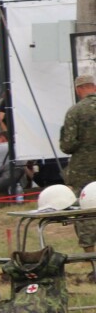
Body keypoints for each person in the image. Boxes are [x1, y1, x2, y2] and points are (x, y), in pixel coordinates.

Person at [60, 74, 96, 253]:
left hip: (84, 170)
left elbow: (68, 145)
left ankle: (90, 254)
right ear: (93, 86)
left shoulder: (75, 111)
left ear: (79, 89)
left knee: (86, 207)